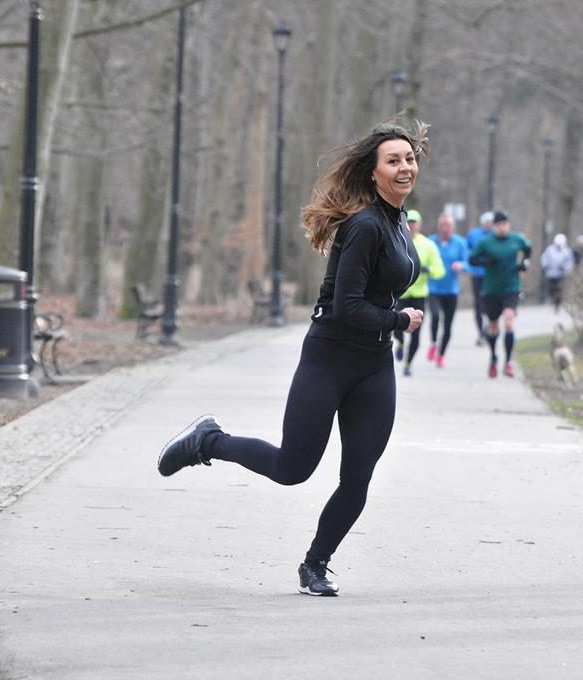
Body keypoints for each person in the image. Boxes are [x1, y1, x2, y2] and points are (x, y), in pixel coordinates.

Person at [156, 119, 429, 597]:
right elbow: (346, 307)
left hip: (374, 365)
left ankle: (315, 565)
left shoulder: (397, 221)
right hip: (329, 358)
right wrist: (398, 320)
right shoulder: (366, 225)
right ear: (373, 172)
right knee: (292, 468)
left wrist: (391, 320)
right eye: (393, 160)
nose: (404, 167)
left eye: (409, 159)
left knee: (358, 476)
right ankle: (208, 441)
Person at [468, 210, 532, 378]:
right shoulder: (486, 242)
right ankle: (493, 357)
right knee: (493, 326)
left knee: (509, 322)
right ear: (494, 226)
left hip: (511, 288)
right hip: (491, 290)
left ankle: (508, 362)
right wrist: (485, 262)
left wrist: (524, 263)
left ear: (508, 225)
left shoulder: (516, 239)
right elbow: (472, 259)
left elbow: (528, 249)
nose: (502, 227)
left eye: (505, 224)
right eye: (499, 225)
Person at [393, 209, 444, 376]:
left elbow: (439, 270)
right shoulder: (397, 240)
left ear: (419, 224)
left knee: (415, 332)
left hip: (419, 295)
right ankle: (400, 343)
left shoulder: (428, 245)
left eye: (414, 222)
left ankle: (408, 363)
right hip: (400, 293)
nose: (411, 225)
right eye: (409, 222)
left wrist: (428, 270)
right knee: (396, 326)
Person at [426, 212, 469, 368]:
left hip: (451, 290)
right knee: (435, 316)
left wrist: (461, 265)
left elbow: (468, 262)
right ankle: (433, 343)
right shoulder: (431, 242)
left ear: (453, 227)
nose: (445, 228)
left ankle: (441, 354)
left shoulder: (460, 243)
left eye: (448, 226)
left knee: (448, 325)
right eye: (443, 225)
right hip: (433, 288)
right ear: (439, 227)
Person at [464, 211, 494, 345]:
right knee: (478, 304)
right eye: (487, 222)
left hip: (492, 275)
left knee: (490, 304)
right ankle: (480, 332)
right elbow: (467, 250)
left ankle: (490, 329)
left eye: (491, 222)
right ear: (482, 223)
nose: (489, 225)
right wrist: (471, 262)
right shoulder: (474, 234)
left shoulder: (495, 235)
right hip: (477, 274)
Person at [540, 233, 575, 313]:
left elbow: (570, 262)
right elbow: (544, 258)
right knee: (551, 289)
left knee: (559, 289)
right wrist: (545, 265)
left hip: (561, 274)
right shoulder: (549, 250)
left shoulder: (567, 251)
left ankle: (557, 303)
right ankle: (552, 299)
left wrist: (565, 267)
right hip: (550, 274)